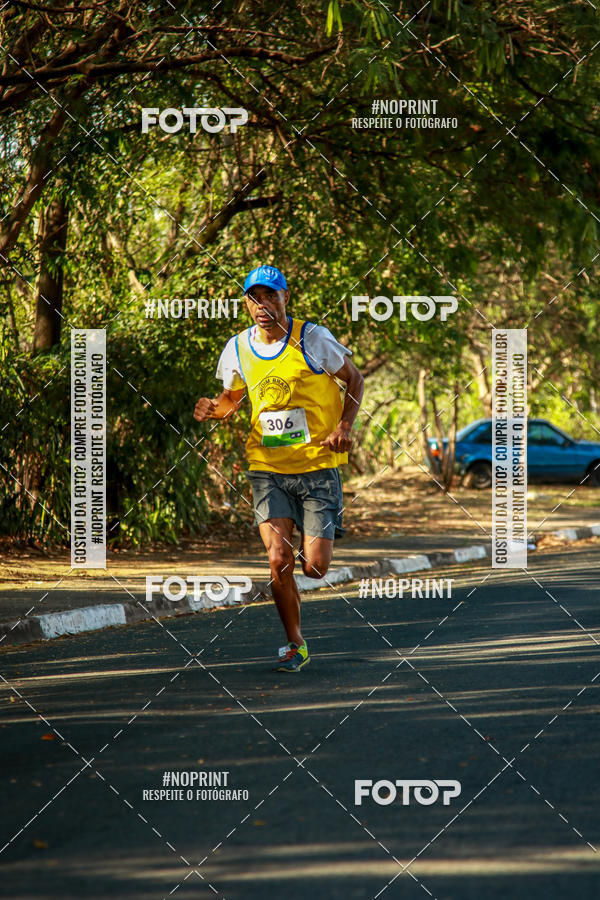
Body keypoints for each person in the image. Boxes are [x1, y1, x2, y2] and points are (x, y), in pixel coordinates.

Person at [193, 265, 364, 671]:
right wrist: (211, 410)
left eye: (270, 295)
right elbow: (231, 401)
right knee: (277, 560)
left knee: (315, 567)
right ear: (247, 304)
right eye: (254, 298)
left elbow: (354, 379)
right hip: (267, 467)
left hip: (317, 467)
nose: (262, 305)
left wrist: (343, 426)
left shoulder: (312, 338)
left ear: (286, 297)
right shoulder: (237, 348)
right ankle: (295, 644)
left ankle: (312, 560)